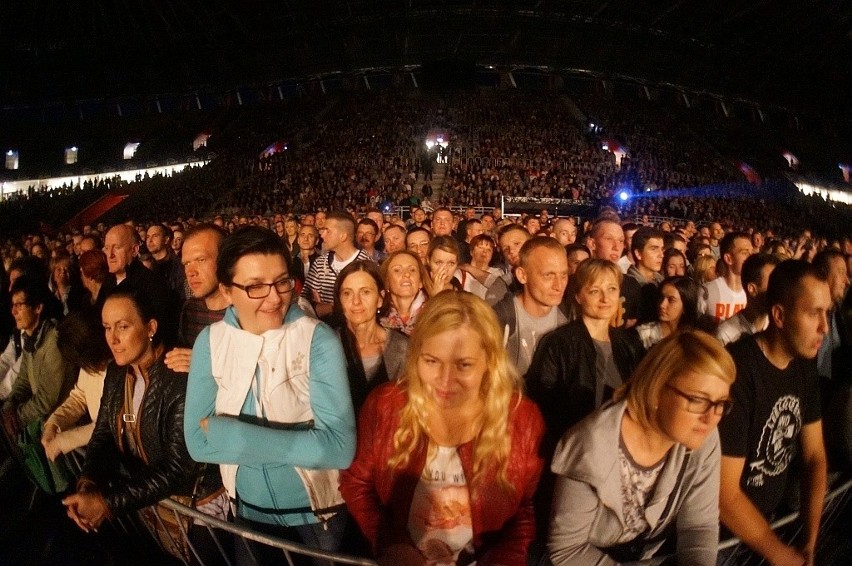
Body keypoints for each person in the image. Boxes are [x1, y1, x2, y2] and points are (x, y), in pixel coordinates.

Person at [184, 226, 356, 558]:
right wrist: (304, 440)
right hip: (248, 515)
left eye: (282, 282)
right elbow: (197, 442)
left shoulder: (316, 339)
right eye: (255, 287)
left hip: (316, 517)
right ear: (227, 290)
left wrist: (230, 435)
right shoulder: (211, 342)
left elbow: (339, 448)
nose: (274, 297)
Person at [340, 291, 545, 564]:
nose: (445, 381)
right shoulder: (385, 406)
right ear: (416, 356)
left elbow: (525, 509)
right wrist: (389, 544)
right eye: (432, 361)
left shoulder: (521, 419)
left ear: (490, 361)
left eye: (464, 365)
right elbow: (357, 482)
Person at [549, 330, 735, 565]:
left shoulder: (702, 437)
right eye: (698, 400)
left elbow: (698, 526)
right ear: (657, 389)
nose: (711, 418)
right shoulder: (591, 445)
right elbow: (567, 550)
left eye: (721, 403)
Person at [62, 287, 218, 558]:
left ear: (150, 327)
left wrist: (106, 503)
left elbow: (178, 465)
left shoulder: (179, 376)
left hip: (198, 512)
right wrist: (88, 482)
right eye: (107, 327)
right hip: (152, 503)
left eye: (122, 326)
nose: (112, 338)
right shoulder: (117, 372)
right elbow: (104, 432)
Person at [718, 260, 830, 565]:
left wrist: (810, 539)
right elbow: (724, 494)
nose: (825, 327)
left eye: (827, 312)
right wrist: (782, 556)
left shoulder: (804, 364)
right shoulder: (738, 370)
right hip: (724, 538)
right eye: (813, 313)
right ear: (779, 315)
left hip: (773, 523)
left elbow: (815, 455)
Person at [2, 276, 75, 439]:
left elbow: (47, 398)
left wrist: (16, 418)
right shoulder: (31, 338)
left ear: (38, 308)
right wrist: (10, 404)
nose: (13, 312)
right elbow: (23, 380)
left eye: (19, 305)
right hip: (43, 421)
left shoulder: (54, 342)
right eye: (13, 305)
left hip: (59, 427)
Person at [333, 260, 409, 414]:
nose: (356, 301)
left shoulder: (402, 347)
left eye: (365, 292)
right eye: (347, 293)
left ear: (380, 298)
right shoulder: (328, 345)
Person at [41, 309, 111, 460]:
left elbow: (112, 423)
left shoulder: (118, 367)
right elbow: (79, 397)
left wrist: (65, 440)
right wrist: (54, 423)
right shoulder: (91, 366)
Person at [493, 238, 570, 375]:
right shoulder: (499, 319)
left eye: (563, 275)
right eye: (548, 275)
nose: (559, 285)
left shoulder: (570, 317)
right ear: (522, 275)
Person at [303, 212, 372, 319]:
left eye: (327, 231)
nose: (322, 234)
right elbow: (304, 301)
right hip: (326, 331)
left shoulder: (366, 264)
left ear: (343, 236)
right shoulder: (320, 263)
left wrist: (327, 308)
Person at [715, 253, 779, 346]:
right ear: (752, 289)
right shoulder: (726, 335)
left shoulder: (780, 329)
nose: (778, 289)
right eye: (772, 283)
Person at [698, 232, 752, 325]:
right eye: (744, 253)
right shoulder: (707, 291)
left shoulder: (753, 293)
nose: (751, 257)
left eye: (751, 253)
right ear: (728, 258)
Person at [635, 276, 699, 350]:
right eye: (661, 297)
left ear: (686, 305)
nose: (662, 305)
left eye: (671, 300)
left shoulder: (693, 339)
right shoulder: (642, 335)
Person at [380, 250, 429, 336]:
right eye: (397, 270)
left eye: (412, 270)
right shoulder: (377, 316)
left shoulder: (434, 313)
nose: (406, 274)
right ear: (387, 281)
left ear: (420, 281)